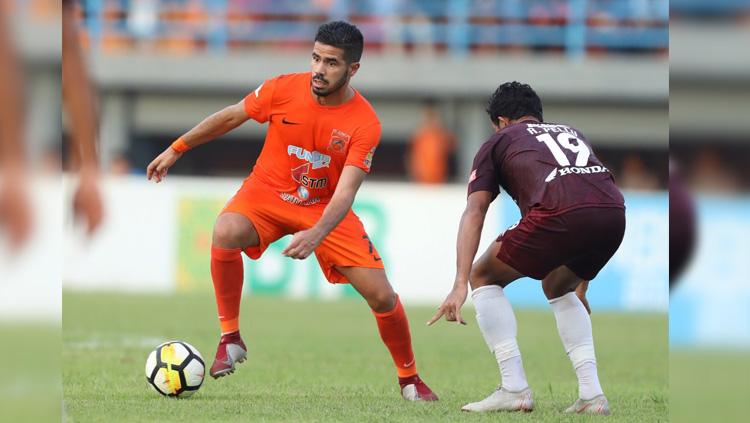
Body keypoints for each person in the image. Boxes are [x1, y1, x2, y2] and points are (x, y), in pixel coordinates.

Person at [146, 21, 438, 401]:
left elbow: (346, 192)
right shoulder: (282, 88)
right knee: (225, 230)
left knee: (382, 296)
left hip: (323, 208)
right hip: (267, 192)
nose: (319, 69)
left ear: (353, 69)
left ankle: (409, 379)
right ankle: (230, 338)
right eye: (316, 58)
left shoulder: (364, 122)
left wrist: (316, 234)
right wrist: (176, 148)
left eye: (331, 63)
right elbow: (233, 115)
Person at [428, 82, 625, 414]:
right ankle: (592, 395)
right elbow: (589, 195)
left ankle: (514, 388)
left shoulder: (499, 140)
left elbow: (475, 210)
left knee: (484, 275)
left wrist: (461, 282)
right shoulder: (572, 132)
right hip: (614, 214)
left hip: (560, 213)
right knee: (557, 285)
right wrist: (582, 280)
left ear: (502, 121)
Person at [407, 100, 455, 184]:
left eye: (433, 116)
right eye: (428, 116)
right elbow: (412, 158)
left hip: (439, 182)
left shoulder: (442, 135)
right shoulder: (419, 135)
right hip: (421, 182)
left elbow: (451, 150)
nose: (430, 120)